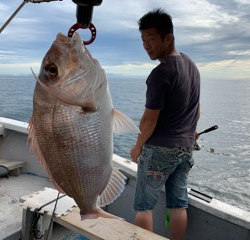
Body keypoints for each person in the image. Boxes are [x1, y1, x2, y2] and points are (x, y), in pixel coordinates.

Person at [130, 8, 200, 240]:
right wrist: (191, 132)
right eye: (142, 40)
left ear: (167, 38)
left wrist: (138, 146)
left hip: (160, 150)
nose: (146, 46)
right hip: (185, 148)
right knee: (178, 204)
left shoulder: (161, 73)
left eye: (151, 39)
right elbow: (196, 109)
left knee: (143, 206)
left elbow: (150, 118)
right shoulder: (190, 65)